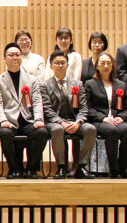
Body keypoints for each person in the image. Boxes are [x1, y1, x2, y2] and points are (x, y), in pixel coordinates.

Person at [0, 42, 48, 179]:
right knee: (5, 133)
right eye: (11, 55)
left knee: (42, 132)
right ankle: (14, 168)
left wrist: (38, 119)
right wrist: (2, 120)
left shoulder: (32, 79)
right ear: (4, 58)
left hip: (27, 119)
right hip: (8, 120)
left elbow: (37, 101)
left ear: (21, 57)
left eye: (17, 55)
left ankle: (31, 169)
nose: (14, 58)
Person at [41, 50, 96, 179]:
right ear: (51, 66)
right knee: (57, 130)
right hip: (55, 122)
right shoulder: (44, 85)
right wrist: (61, 122)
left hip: (74, 121)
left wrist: (78, 122)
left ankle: (81, 166)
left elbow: (83, 108)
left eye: (63, 63)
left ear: (67, 65)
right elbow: (47, 109)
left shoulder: (77, 84)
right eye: (57, 63)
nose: (60, 65)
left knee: (90, 129)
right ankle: (61, 167)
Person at [86, 52, 127, 178]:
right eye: (102, 63)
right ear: (97, 66)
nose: (106, 66)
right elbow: (88, 108)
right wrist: (103, 118)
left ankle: (123, 167)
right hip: (99, 121)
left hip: (117, 119)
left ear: (113, 66)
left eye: (108, 63)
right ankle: (113, 168)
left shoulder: (121, 84)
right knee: (111, 131)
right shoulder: (90, 84)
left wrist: (121, 117)